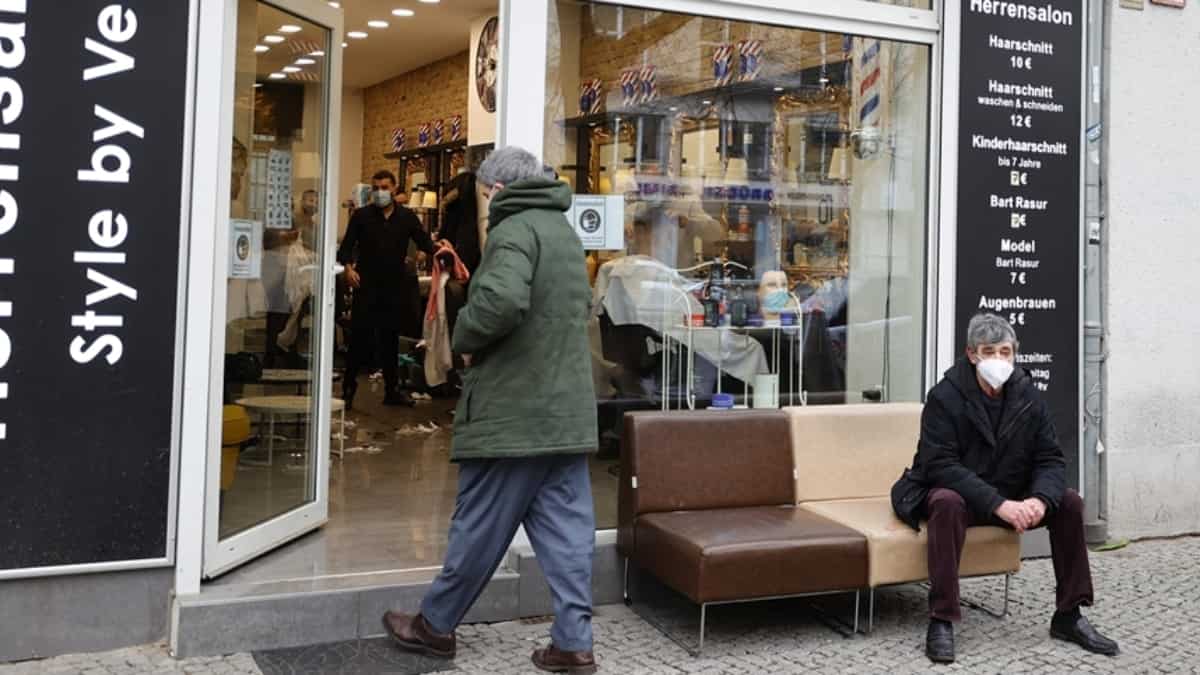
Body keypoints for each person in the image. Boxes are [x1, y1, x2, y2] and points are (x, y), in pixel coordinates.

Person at [381, 147, 600, 674]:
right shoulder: (564, 233)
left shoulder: (513, 230)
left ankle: (434, 626)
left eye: (483, 194)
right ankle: (573, 642)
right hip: (564, 410)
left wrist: (465, 333)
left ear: (497, 190)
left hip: (514, 411)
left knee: (478, 523)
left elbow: (501, 302)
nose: (483, 203)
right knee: (569, 533)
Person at [892, 312, 1119, 664]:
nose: (998, 359)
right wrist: (1000, 504)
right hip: (961, 494)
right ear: (971, 354)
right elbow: (941, 466)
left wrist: (1040, 500)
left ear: (1015, 352)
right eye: (988, 351)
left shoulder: (1028, 395)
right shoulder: (945, 397)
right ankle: (942, 618)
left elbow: (1050, 459)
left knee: (1070, 502)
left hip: (1009, 492)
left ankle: (1069, 616)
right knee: (946, 502)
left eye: (1005, 351)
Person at [337, 170, 433, 408]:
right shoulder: (361, 216)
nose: (380, 192)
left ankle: (392, 391)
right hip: (366, 284)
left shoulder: (407, 217)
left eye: (385, 187)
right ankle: (348, 390)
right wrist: (348, 269)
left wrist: (429, 251)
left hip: (394, 285)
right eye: (376, 187)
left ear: (394, 189)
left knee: (390, 339)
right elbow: (346, 248)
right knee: (359, 338)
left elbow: (425, 243)